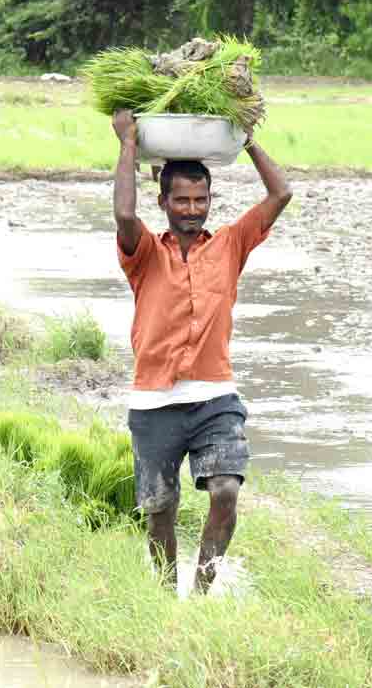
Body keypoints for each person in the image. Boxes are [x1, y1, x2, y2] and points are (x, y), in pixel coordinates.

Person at [111, 109, 292, 592]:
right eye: (182, 200)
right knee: (159, 514)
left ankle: (202, 589)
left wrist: (249, 141)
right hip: (154, 404)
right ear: (164, 202)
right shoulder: (146, 253)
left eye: (201, 199)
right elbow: (125, 215)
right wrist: (128, 143)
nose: (192, 209)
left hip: (215, 398)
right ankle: (166, 595)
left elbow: (281, 194)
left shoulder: (231, 245)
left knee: (226, 490)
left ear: (211, 199)